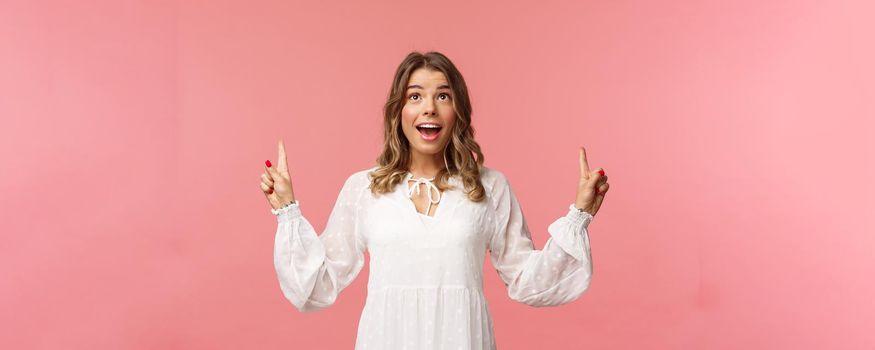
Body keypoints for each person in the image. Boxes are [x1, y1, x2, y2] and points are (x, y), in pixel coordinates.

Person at [259, 51, 610, 349]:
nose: (429, 108)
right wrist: (287, 212)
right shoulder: (363, 188)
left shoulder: (490, 187)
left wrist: (579, 214)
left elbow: (529, 280)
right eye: (415, 96)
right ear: (399, 111)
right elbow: (316, 285)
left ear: (458, 110)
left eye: (443, 96)